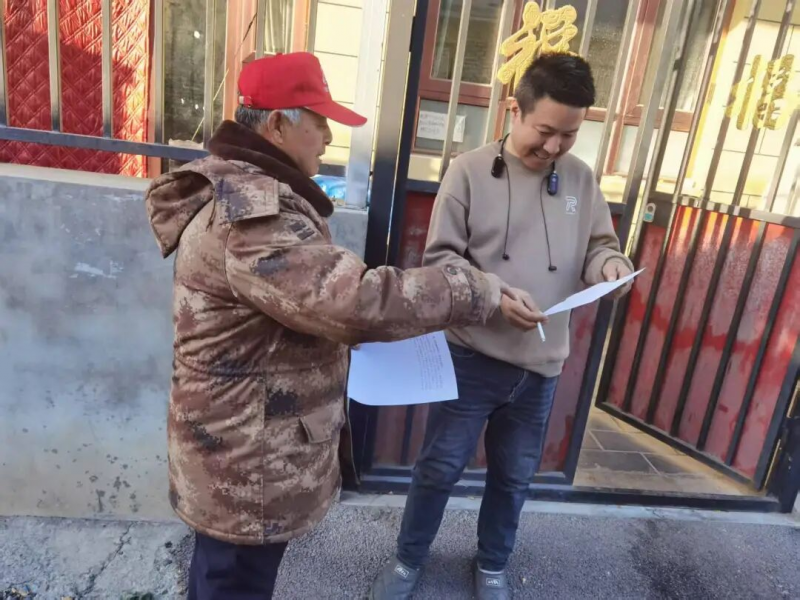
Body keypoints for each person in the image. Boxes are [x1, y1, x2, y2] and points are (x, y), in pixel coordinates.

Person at [144, 52, 539, 600]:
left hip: (242, 447)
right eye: (319, 121)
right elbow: (353, 301)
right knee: (232, 584)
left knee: (226, 579)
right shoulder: (252, 214)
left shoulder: (250, 189)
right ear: (277, 124)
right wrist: (475, 289)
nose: (329, 137)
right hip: (244, 461)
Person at [369, 53, 634, 600]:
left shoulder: (581, 180)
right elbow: (442, 261)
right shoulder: (468, 171)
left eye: (569, 135)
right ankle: (407, 560)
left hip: (541, 367)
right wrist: (492, 298)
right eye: (545, 131)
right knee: (439, 467)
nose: (555, 147)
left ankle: (492, 565)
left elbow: (599, 246)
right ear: (515, 110)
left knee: (514, 477)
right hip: (472, 356)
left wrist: (610, 266)